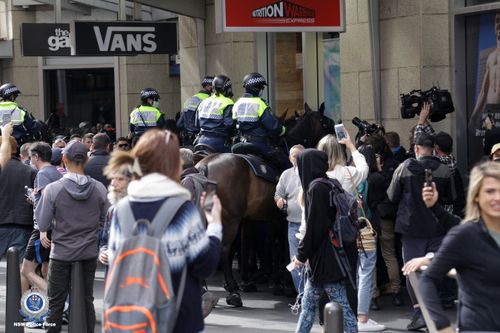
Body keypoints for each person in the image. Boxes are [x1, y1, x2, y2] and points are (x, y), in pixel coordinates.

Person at [107, 129, 223, 333]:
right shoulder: (182, 210)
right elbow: (204, 265)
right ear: (172, 164)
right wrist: (214, 224)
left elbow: (115, 261)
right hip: (178, 320)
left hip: (132, 320)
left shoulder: (121, 210)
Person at [404, 161, 500, 332]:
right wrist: (442, 326)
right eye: (490, 191)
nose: (497, 197)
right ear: (476, 196)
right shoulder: (466, 234)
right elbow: (427, 280)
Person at [36, 140, 108, 332]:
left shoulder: (53, 189)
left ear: (64, 159)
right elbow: (105, 219)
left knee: (55, 304)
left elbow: (42, 223)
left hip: (61, 254)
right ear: (87, 159)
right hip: (88, 253)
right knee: (87, 301)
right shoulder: (100, 189)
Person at [386, 132, 455, 331]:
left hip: (410, 228)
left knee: (411, 271)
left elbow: (391, 195)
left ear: (416, 148)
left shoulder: (405, 167)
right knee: (434, 269)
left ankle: (419, 313)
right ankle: (432, 312)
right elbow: (451, 197)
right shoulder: (443, 169)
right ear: (433, 149)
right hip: (436, 226)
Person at [293, 149, 358, 333]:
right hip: (328, 257)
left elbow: (315, 227)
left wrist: (301, 255)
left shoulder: (315, 188)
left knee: (339, 306)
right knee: (309, 305)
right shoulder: (331, 184)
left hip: (325, 260)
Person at [21, 142, 62, 295]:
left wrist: (43, 229)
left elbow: (46, 202)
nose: (30, 160)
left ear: (36, 157)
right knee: (46, 270)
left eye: (31, 156)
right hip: (53, 227)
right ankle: (59, 303)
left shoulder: (43, 174)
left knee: (27, 269)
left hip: (42, 229)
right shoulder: (56, 173)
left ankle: (59, 300)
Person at [0, 122, 37, 266]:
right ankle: (21, 290)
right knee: (22, 267)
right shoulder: (31, 172)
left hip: (1, 222)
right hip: (23, 224)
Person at [274, 144, 305, 295]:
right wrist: (279, 201)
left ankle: (310, 296)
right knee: (295, 262)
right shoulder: (286, 175)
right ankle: (302, 295)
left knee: (310, 263)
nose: (297, 159)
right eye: (294, 157)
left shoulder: (312, 172)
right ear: (290, 158)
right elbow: (278, 194)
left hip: (310, 226)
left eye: (300, 156)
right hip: (293, 224)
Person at [232, 73, 286, 156]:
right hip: (258, 144)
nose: (262, 90)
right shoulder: (260, 104)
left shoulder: (237, 103)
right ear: (256, 88)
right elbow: (273, 127)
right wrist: (283, 130)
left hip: (241, 142)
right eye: (262, 87)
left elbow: (233, 124)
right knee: (283, 161)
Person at [470, 13, 500, 137]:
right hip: (489, 110)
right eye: (497, 20)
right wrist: (474, 115)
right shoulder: (491, 56)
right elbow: (483, 90)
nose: (499, 24)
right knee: (489, 145)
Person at [196, 74, 235, 153]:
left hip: (201, 141)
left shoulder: (204, 102)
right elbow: (229, 125)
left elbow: (196, 124)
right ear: (227, 89)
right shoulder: (227, 102)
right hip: (219, 142)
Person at [177, 76, 213, 146]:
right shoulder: (209, 100)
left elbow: (179, 124)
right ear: (208, 86)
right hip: (201, 139)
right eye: (213, 86)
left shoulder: (191, 99)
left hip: (187, 140)